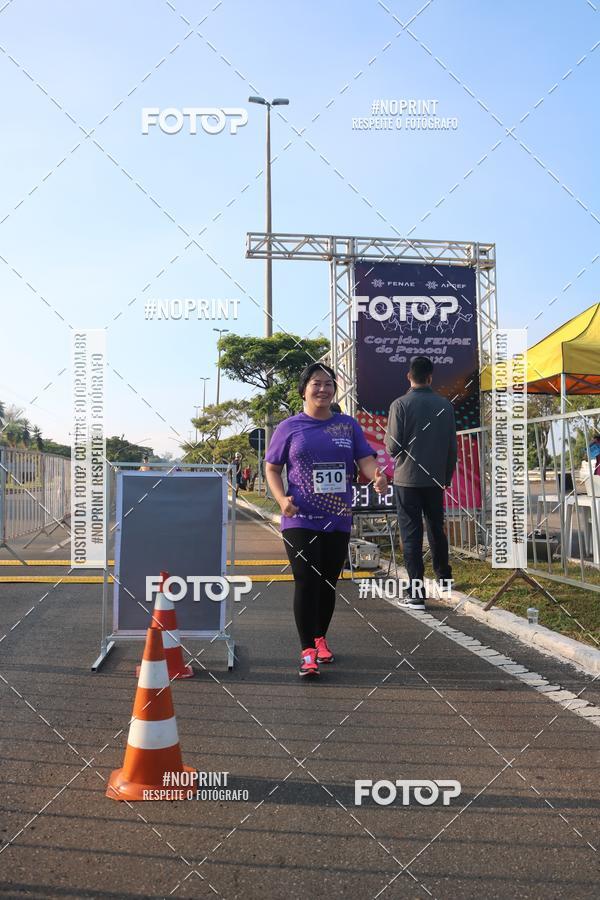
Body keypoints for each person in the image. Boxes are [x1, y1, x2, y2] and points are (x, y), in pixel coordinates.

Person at [265, 363, 388, 677]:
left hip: (338, 518)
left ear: (335, 390)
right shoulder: (289, 427)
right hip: (300, 518)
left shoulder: (347, 426)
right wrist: (281, 500)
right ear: (304, 389)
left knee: (327, 582)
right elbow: (272, 468)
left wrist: (377, 476)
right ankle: (307, 651)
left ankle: (320, 637)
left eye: (328, 384)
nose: (323, 389)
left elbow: (365, 460)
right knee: (306, 580)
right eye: (316, 383)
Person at [385, 356, 457, 611]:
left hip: (407, 480)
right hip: (435, 479)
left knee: (411, 534)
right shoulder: (445, 406)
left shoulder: (400, 405)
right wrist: (445, 477)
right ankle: (444, 578)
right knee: (436, 527)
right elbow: (452, 447)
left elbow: (393, 446)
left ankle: (416, 593)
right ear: (430, 377)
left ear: (409, 376)